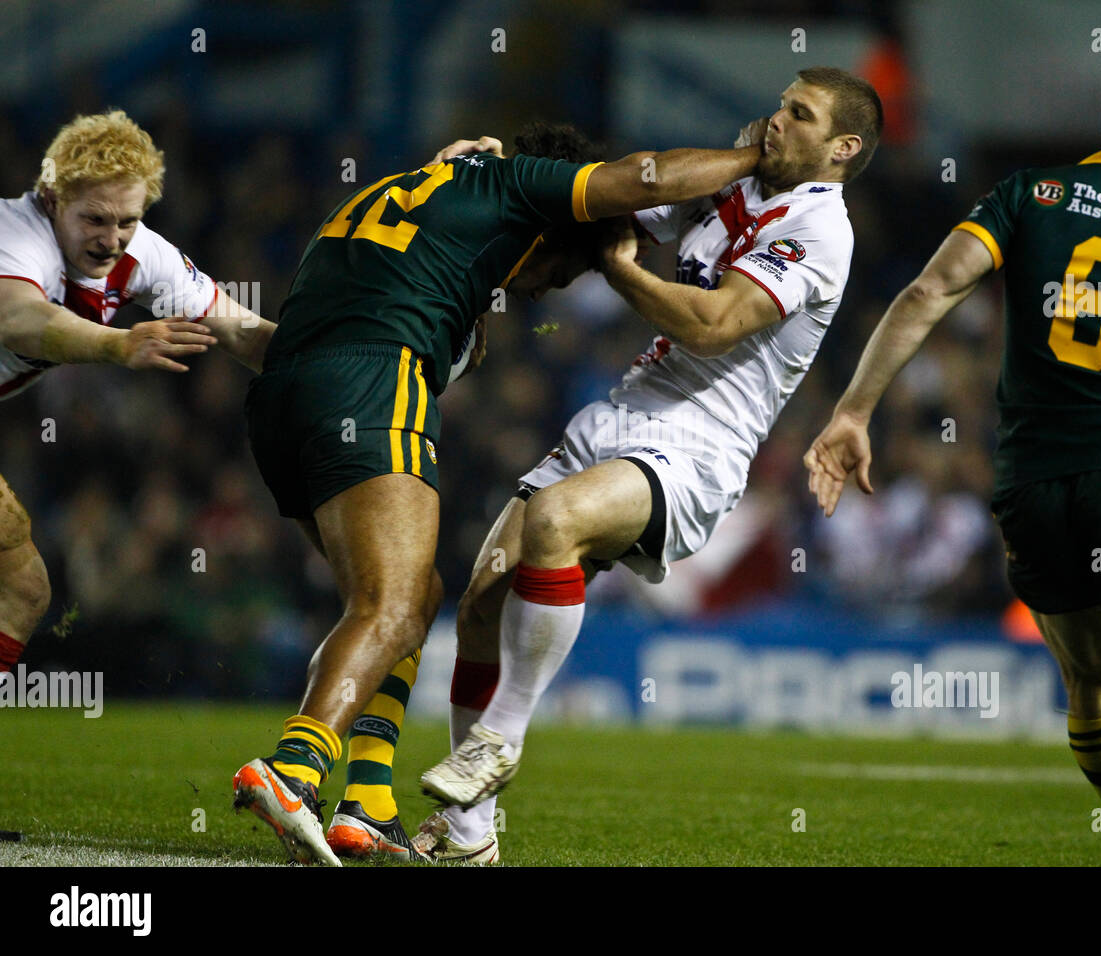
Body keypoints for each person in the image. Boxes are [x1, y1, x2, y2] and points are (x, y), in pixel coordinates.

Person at [804, 52, 1101, 867]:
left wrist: (853, 411)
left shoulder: (1035, 194)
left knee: (1097, 692)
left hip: (1028, 492)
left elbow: (928, 291)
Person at [233, 121, 767, 866]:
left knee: (417, 596)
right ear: (556, 224)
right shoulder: (518, 186)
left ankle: (368, 803)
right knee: (387, 607)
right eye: (560, 270)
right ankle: (294, 771)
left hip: (280, 397)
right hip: (369, 381)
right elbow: (646, 175)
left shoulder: (420, 184)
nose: (545, 286)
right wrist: (754, 158)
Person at [405, 67, 881, 864]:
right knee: (483, 594)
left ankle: (501, 738)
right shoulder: (736, 181)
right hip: (623, 413)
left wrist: (624, 270)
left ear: (842, 147)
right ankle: (467, 837)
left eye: (799, 115)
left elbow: (713, 323)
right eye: (780, 102)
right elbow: (619, 200)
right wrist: (496, 177)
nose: (776, 119)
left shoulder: (823, 230)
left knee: (556, 521)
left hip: (699, 446)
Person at [0, 110, 275, 678]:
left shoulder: (143, 254)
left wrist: (357, 361)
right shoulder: (14, 234)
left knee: (24, 591)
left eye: (127, 219)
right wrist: (119, 345)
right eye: (94, 219)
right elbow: (17, 318)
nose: (110, 239)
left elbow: (245, 334)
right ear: (51, 197)